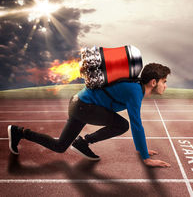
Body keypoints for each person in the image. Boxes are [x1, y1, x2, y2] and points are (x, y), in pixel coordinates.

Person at [8, 63, 171, 168]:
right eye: (164, 81)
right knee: (123, 125)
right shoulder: (135, 91)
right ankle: (83, 142)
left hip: (78, 104)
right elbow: (136, 124)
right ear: (153, 82)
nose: (165, 85)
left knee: (60, 146)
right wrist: (145, 157)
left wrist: (141, 148)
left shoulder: (135, 86)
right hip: (83, 107)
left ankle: (18, 132)